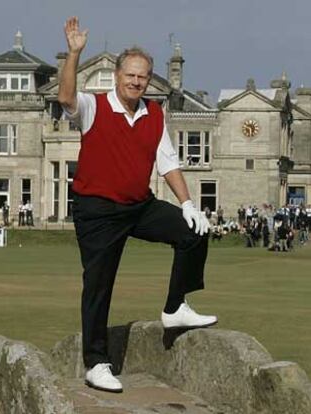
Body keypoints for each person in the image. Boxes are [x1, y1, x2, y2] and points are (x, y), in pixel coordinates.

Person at [58, 16, 216, 394]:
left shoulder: (155, 114)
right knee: (98, 283)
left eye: (142, 77)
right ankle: (96, 363)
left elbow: (168, 163)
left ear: (149, 80)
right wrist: (75, 54)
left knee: (193, 233)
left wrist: (189, 203)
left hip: (138, 205)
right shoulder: (94, 107)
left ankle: (175, 307)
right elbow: (65, 98)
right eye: (130, 75)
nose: (136, 82)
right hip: (96, 210)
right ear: (117, 76)